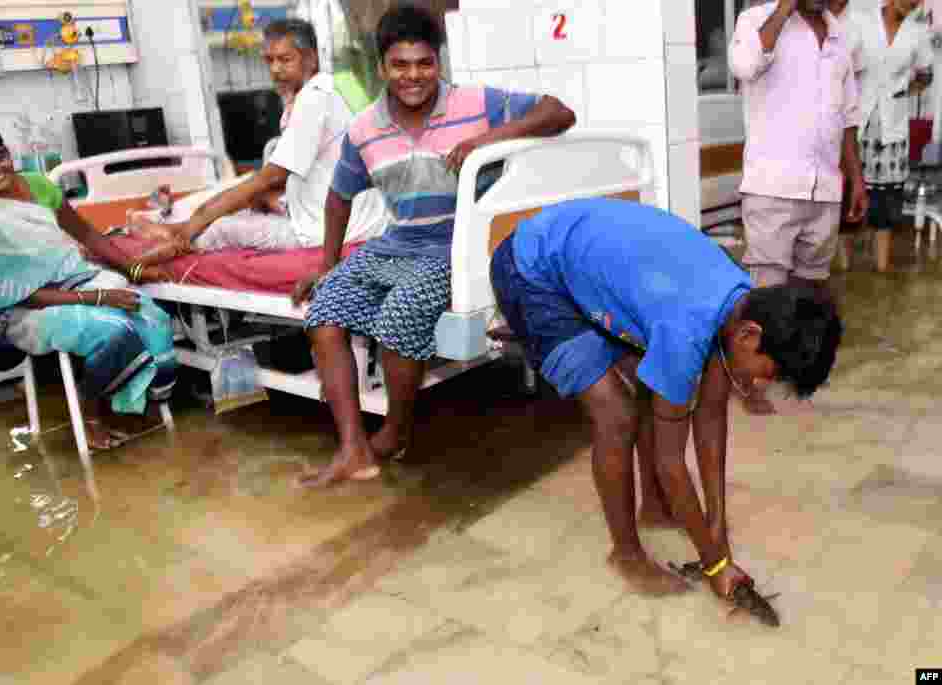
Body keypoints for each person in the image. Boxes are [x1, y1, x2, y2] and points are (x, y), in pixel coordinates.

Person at [490, 198, 842, 615]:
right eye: (770, 371)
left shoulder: (740, 301)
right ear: (749, 335)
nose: (763, 383)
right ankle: (626, 554)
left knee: (653, 384)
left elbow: (710, 416)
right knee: (616, 414)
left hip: (590, 266)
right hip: (531, 273)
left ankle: (655, 508)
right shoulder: (689, 327)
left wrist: (717, 528)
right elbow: (670, 461)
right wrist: (716, 564)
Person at [291, 3, 576, 487]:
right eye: (400, 65)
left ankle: (395, 433)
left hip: (461, 243)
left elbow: (560, 112)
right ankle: (353, 448)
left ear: (438, 63)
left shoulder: (474, 102)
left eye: (423, 63)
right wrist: (327, 264)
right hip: (400, 241)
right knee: (323, 312)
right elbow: (339, 196)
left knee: (399, 316)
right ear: (382, 68)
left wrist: (491, 138)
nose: (413, 75)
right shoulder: (363, 129)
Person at [0, 121, 178, 451]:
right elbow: (18, 295)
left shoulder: (39, 186)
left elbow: (84, 233)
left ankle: (141, 400)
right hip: (28, 310)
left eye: (0, 156)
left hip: (78, 281)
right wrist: (98, 297)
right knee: (113, 331)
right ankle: (90, 413)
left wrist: (134, 268)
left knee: (152, 318)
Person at [131, 19, 386, 262]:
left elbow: (271, 176)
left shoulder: (313, 98)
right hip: (346, 214)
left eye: (285, 60)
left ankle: (177, 233)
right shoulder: (324, 90)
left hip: (328, 229)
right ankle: (175, 223)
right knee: (254, 198)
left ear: (310, 58)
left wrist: (198, 222)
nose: (275, 69)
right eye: (269, 60)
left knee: (221, 228)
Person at [730, 0, 868, 292]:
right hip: (772, 190)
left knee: (811, 301)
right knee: (769, 300)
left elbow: (847, 115)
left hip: (826, 190)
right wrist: (783, 9)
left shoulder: (840, 34)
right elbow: (744, 65)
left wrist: (856, 179)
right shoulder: (755, 19)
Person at [849, 0, 933, 272]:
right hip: (857, 121)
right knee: (849, 191)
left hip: (892, 126)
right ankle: (845, 267)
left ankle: (881, 270)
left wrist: (907, 91)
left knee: (886, 200)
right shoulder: (861, 21)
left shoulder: (917, 32)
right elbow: (842, 65)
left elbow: (926, 73)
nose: (913, 3)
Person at [829, 0, 868, 270]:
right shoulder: (792, 22)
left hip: (841, 127)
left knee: (841, 195)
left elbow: (853, 90)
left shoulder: (853, 31)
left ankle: (840, 258)